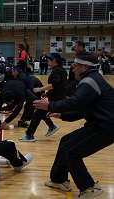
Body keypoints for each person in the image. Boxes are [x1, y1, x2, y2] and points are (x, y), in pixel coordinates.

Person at [33, 52, 114, 198]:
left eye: (75, 65)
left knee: (70, 151)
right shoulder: (91, 79)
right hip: (100, 124)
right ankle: (59, 180)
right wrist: (62, 115)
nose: (72, 68)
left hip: (106, 127)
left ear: (85, 66)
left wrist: (50, 106)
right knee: (66, 142)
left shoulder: (90, 81)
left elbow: (74, 102)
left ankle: (89, 188)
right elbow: (82, 110)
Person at [19, 53, 67, 142]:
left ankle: (29, 135)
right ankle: (51, 126)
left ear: (54, 61)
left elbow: (54, 85)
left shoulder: (57, 71)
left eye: (49, 61)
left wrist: (40, 89)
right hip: (55, 97)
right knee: (41, 113)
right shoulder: (60, 70)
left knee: (36, 115)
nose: (48, 63)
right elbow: (58, 86)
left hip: (56, 99)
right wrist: (47, 94)